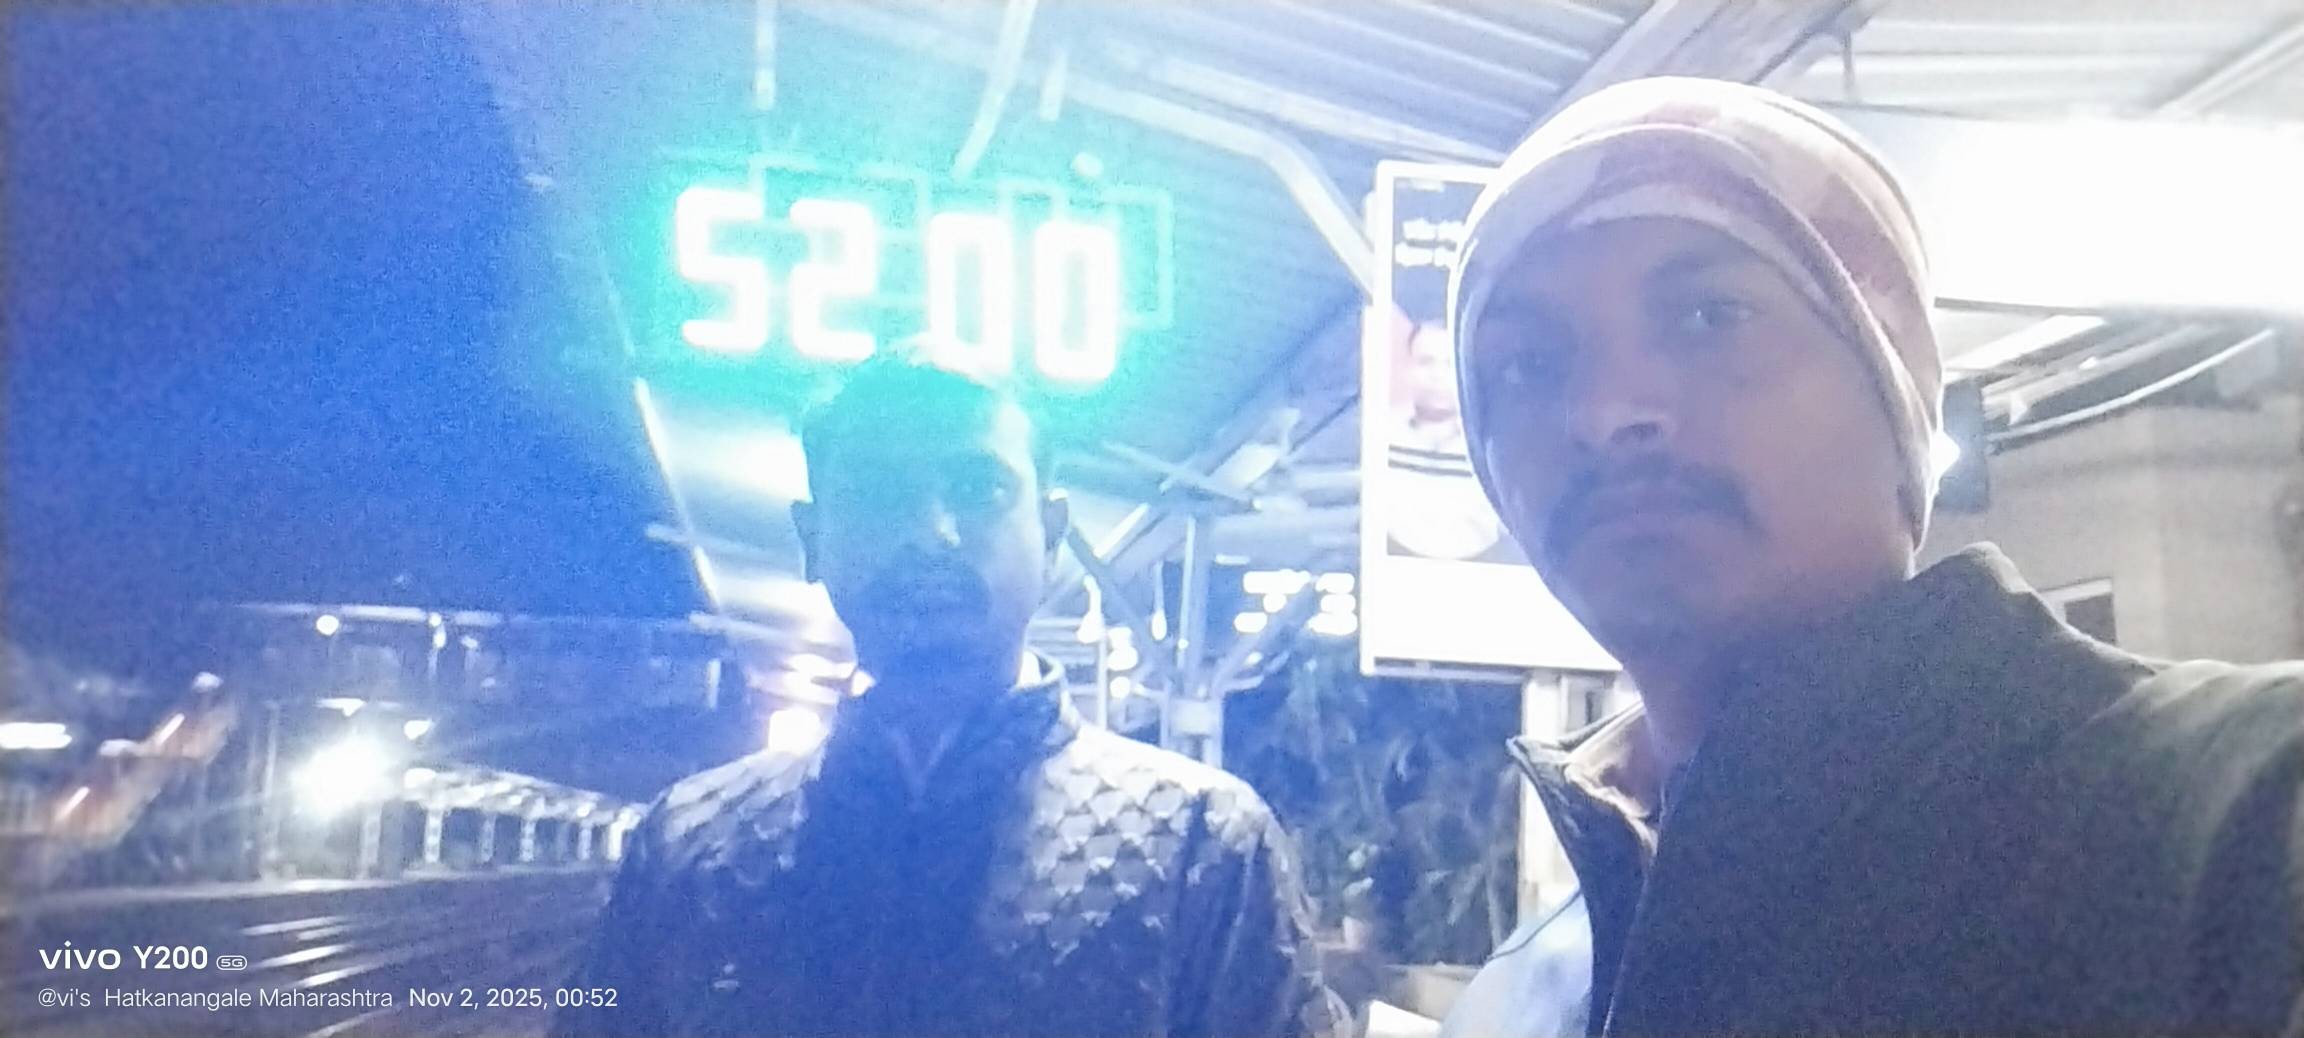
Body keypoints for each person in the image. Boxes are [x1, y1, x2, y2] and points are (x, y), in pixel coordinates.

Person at [1438, 77, 2304, 1037]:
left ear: (1897, 394)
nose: (1608, 412)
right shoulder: (1521, 996)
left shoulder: (2240, 822)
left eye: (1709, 317)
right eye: (1527, 364)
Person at [553, 346, 1348, 1038]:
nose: (930, 533)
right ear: (813, 538)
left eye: (978, 490)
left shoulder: (1205, 845)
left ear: (1052, 534)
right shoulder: (687, 849)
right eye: (878, 493)